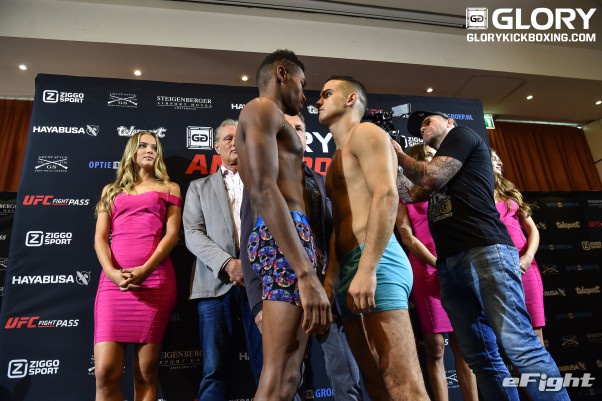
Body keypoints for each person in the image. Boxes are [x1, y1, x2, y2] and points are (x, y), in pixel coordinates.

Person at [394, 110, 569, 401]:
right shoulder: (439, 164)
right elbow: (409, 194)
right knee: (480, 356)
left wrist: (400, 155)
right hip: (449, 263)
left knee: (520, 345)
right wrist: (394, 162)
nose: (422, 128)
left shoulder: (462, 135)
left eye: (427, 121)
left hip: (484, 250)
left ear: (449, 122)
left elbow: (431, 176)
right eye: (418, 128)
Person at [316, 75, 430, 401]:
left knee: (404, 386)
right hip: (348, 271)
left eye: (327, 94)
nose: (318, 101)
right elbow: (339, 226)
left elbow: (386, 195)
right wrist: (330, 281)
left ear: (351, 99)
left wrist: (367, 269)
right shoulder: (334, 161)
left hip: (377, 262)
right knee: (376, 386)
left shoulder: (366, 133)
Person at [239, 112, 362, 401]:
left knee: (346, 376)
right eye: (286, 128)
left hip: (326, 293)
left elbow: (332, 237)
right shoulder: (264, 179)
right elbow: (250, 243)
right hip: (282, 290)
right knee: (284, 379)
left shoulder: (321, 181)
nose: (294, 133)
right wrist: (257, 304)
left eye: (299, 128)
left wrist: (329, 285)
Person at [235, 49, 332, 401]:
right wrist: (305, 273)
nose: (305, 96)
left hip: (293, 236)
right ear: (281, 74)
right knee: (277, 376)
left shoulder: (273, 116)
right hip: (283, 238)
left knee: (291, 373)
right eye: (302, 84)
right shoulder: (261, 108)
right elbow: (263, 188)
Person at [93, 131, 181, 401]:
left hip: (154, 282)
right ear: (132, 151)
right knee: (105, 373)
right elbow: (100, 238)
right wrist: (112, 273)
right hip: (113, 286)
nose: (150, 150)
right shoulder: (111, 190)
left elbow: (171, 235)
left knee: (145, 372)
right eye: (143, 145)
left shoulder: (170, 188)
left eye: (154, 147)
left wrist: (145, 270)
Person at [183, 119, 263, 401]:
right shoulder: (198, 187)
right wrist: (229, 264)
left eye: (240, 138)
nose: (234, 143)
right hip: (214, 284)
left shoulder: (264, 185)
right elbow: (192, 233)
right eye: (228, 138)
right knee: (213, 370)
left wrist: (250, 268)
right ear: (216, 146)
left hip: (261, 285)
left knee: (269, 367)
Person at [396, 144, 478, 401]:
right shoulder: (404, 195)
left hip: (455, 264)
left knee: (464, 346)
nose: (436, 161)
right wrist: (436, 263)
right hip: (426, 269)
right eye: (430, 157)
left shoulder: (448, 188)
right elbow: (407, 237)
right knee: (435, 349)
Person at [491, 148, 545, 346]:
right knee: (512, 334)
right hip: (498, 268)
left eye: (499, 159)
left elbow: (533, 230)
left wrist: (528, 258)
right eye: (493, 159)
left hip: (526, 266)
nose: (500, 162)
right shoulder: (477, 196)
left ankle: (541, 369)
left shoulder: (510, 193)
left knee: (535, 330)